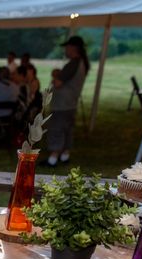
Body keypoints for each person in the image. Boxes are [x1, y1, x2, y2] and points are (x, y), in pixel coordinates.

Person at [46, 36, 89, 166]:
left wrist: (55, 77)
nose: (65, 50)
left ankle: (53, 158)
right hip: (71, 103)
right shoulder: (81, 63)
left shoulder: (73, 64)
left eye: (67, 47)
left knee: (57, 129)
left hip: (63, 104)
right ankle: (64, 156)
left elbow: (58, 83)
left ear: (73, 48)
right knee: (67, 130)